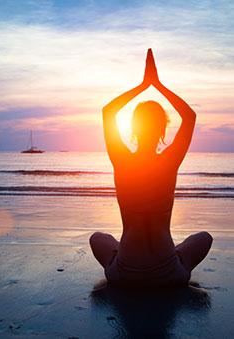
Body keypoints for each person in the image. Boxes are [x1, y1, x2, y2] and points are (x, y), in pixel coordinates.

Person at [89, 49, 213, 287]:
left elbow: (108, 112)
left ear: (133, 129)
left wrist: (143, 85)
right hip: (167, 274)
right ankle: (174, 255)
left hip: (125, 274)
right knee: (203, 238)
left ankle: (121, 257)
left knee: (98, 238)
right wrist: (157, 84)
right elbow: (189, 116)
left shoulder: (121, 159)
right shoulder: (169, 161)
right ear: (163, 130)